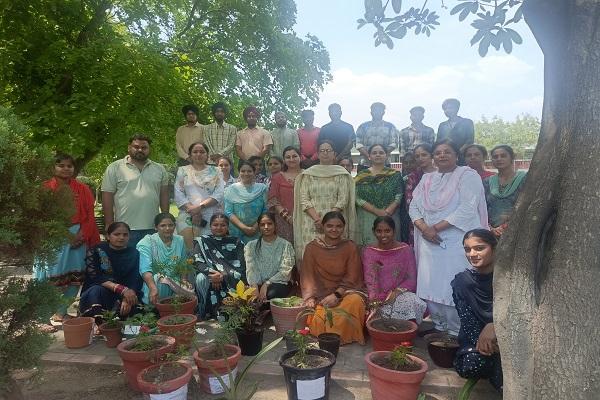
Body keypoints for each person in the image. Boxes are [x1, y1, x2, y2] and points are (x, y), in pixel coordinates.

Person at [409, 139, 487, 335]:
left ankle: (460, 330)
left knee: (455, 284)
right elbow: (413, 206)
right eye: (438, 152)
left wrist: (434, 228)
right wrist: (424, 228)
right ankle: (439, 326)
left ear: (456, 155)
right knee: (431, 284)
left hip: (456, 240)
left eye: (447, 151)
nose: (442, 155)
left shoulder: (468, 175)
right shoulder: (427, 179)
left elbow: (467, 209)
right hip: (429, 242)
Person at [33, 153, 100, 326]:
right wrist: (64, 235)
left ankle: (60, 313)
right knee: (51, 279)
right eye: (61, 165)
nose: (65, 169)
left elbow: (89, 216)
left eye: (69, 166)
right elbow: (40, 217)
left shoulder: (83, 189)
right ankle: (41, 318)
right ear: (53, 168)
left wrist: (82, 235)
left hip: (79, 238)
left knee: (77, 277)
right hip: (53, 238)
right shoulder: (44, 189)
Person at [300, 211, 367, 345]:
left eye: (339, 226)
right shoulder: (312, 248)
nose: (334, 229)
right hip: (321, 296)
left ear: (344, 227)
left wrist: (336, 295)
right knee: (318, 317)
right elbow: (307, 276)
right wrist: (310, 297)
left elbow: (352, 278)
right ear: (323, 227)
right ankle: (329, 336)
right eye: (330, 226)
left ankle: (339, 337)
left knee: (355, 302)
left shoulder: (350, 247)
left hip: (345, 293)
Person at [452, 229, 502, 392]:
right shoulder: (462, 282)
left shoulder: (509, 279)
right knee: (471, 364)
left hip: (508, 340)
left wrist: (495, 325)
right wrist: (490, 346)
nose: (472, 254)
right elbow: (470, 326)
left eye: (479, 248)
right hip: (476, 344)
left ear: (494, 248)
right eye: (467, 249)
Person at [102, 134, 170, 248]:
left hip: (152, 227)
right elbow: (107, 196)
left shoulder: (159, 169)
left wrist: (165, 220)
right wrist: (109, 223)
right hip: (124, 229)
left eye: (144, 148)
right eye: (136, 147)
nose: (140, 150)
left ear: (149, 149)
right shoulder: (114, 168)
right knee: (127, 263)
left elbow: (164, 196)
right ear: (129, 148)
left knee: (151, 263)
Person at [293, 140, 357, 262]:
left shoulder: (341, 174)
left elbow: (343, 199)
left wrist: (327, 221)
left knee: (335, 257)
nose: (325, 153)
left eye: (329, 150)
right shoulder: (308, 174)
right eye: (322, 150)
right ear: (317, 153)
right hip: (312, 222)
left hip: (335, 223)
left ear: (334, 154)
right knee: (313, 257)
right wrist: (318, 220)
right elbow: (304, 199)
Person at [362, 217, 426, 322]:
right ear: (373, 232)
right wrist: (375, 302)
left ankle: (404, 331)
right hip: (375, 296)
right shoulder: (369, 251)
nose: (383, 235)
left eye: (387, 231)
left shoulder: (405, 250)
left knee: (411, 301)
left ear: (394, 231)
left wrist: (395, 293)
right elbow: (370, 280)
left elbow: (411, 279)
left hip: (399, 294)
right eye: (379, 231)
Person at [80, 222, 143, 319]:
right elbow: (95, 277)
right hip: (101, 292)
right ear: (108, 236)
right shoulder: (97, 250)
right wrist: (121, 289)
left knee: (137, 310)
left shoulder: (134, 253)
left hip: (126, 293)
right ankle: (96, 324)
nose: (121, 237)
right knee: (95, 291)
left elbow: (136, 278)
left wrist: (128, 296)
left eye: (125, 235)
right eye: (117, 234)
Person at [192, 214, 246, 319]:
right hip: (212, 276)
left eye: (223, 225)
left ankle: (230, 309)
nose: (219, 228)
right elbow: (197, 261)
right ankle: (205, 310)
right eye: (215, 225)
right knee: (200, 278)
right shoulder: (203, 241)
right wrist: (213, 273)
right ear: (210, 226)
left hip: (230, 276)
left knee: (239, 275)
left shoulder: (237, 242)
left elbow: (241, 265)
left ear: (228, 227)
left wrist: (223, 275)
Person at [175, 142, 225, 250]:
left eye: (202, 152)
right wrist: (193, 211)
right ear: (190, 155)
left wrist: (199, 208)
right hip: (188, 215)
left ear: (207, 155)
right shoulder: (182, 170)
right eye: (195, 152)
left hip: (211, 216)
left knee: (210, 250)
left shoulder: (216, 171)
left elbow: (219, 193)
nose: (199, 154)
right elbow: (178, 193)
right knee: (190, 250)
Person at [355, 144, 404, 246]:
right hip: (367, 216)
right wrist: (375, 210)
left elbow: (399, 194)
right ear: (369, 156)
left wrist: (389, 210)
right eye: (374, 153)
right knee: (370, 247)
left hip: (390, 215)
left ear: (386, 156)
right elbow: (357, 197)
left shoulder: (395, 174)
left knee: (391, 246)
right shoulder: (361, 175)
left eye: (381, 153)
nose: (378, 155)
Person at [137, 213, 189, 305]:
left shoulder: (180, 241)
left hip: (176, 281)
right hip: (153, 282)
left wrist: (184, 282)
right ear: (156, 227)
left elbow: (183, 264)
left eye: (170, 225)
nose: (167, 228)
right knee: (161, 280)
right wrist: (153, 288)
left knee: (188, 292)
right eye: (163, 226)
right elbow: (145, 269)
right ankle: (155, 311)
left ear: (175, 226)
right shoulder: (147, 242)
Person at [245, 213, 295, 301]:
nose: (266, 227)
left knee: (270, 294)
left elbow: (285, 271)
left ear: (275, 225)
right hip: (257, 283)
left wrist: (267, 284)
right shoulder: (251, 246)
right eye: (262, 225)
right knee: (249, 296)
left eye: (270, 223)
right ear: (259, 227)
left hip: (279, 282)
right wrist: (254, 288)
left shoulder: (285, 245)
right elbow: (251, 268)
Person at [483, 145, 527, 238]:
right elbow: (482, 207)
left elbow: (527, 205)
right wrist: (490, 228)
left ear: (512, 157)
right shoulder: (487, 182)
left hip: (519, 230)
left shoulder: (525, 178)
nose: (499, 159)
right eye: (495, 157)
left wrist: (505, 226)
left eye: (503, 156)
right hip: (492, 232)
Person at [224, 160, 268, 243]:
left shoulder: (262, 188)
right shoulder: (231, 189)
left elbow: (265, 210)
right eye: (243, 171)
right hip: (236, 230)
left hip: (258, 229)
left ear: (254, 172)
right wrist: (244, 228)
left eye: (249, 171)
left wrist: (255, 227)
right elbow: (228, 212)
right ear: (239, 172)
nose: (246, 174)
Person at [268, 146, 303, 244]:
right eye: (288, 157)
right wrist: (288, 218)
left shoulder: (307, 175)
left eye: (294, 156)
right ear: (284, 160)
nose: (291, 159)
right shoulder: (277, 177)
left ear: (301, 157)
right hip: (283, 221)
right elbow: (273, 200)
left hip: (305, 219)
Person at [404, 144, 437, 245]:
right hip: (419, 222)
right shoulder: (413, 177)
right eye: (417, 156)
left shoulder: (442, 174)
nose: (420, 158)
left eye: (424, 155)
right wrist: (423, 225)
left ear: (431, 155)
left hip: (441, 221)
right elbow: (409, 202)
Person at [355, 102, 399, 168]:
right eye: (375, 110)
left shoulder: (390, 127)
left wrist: (381, 156)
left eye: (379, 110)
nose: (377, 112)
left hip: (384, 164)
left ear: (383, 112)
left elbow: (394, 144)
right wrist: (369, 156)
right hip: (365, 163)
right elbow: (358, 144)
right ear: (371, 112)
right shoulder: (363, 126)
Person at [436, 99, 474, 164]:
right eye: (445, 109)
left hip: (463, 158)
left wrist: (457, 153)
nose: (447, 110)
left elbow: (470, 141)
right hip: (445, 158)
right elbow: (438, 142)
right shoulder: (442, 125)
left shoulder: (467, 122)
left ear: (457, 108)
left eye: (450, 108)